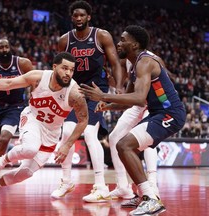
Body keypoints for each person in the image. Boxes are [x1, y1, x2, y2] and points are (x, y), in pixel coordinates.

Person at [80, 25, 186, 215]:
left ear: (135, 44)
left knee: (124, 145)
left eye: (122, 40)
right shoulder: (134, 67)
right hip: (158, 113)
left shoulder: (144, 62)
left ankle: (151, 199)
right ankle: (145, 194)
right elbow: (129, 102)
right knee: (127, 148)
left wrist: (104, 96)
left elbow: (138, 98)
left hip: (170, 114)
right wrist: (108, 105)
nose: (118, 44)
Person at [0, 52, 88, 206]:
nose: (68, 73)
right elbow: (9, 83)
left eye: (71, 70)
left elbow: (83, 120)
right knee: (30, 148)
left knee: (25, 173)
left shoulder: (75, 93)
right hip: (32, 119)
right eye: (64, 68)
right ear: (54, 67)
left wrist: (67, 145)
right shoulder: (38, 77)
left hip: (52, 133)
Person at [51, 0, 123, 202]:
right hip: (73, 91)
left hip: (95, 91)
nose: (79, 18)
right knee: (66, 132)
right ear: (71, 17)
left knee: (90, 134)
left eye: (83, 15)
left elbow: (115, 62)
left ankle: (100, 185)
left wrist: (116, 86)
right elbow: (58, 68)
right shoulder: (65, 40)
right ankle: (66, 182)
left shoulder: (101, 35)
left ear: (89, 17)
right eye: (76, 15)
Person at [108, 59, 160, 207]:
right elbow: (130, 94)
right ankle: (123, 187)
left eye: (123, 41)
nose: (119, 45)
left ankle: (152, 186)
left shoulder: (149, 59)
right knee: (114, 137)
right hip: (139, 104)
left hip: (154, 103)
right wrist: (116, 87)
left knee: (149, 139)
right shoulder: (129, 62)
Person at [0, 38, 33, 161]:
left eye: (6, 47)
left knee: (5, 137)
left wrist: (33, 95)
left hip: (15, 106)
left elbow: (35, 80)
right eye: (1, 47)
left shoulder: (22, 63)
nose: (4, 50)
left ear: (10, 48)